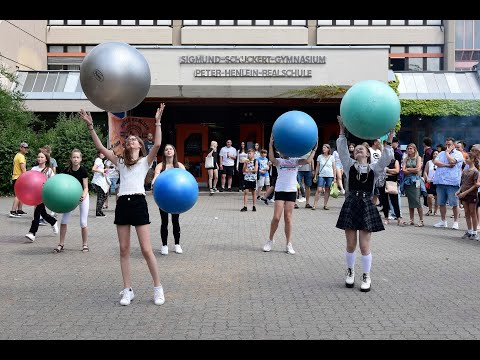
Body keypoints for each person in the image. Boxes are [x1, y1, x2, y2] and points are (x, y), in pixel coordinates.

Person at [79, 104, 166, 306]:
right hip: (123, 204)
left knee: (146, 249)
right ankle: (127, 290)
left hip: (138, 202)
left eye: (134, 139)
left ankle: (158, 288)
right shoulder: (119, 162)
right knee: (124, 249)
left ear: (139, 145)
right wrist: (91, 127)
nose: (130, 140)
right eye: (128, 139)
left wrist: (158, 122)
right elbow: (101, 148)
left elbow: (158, 145)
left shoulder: (146, 161)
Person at [336, 115, 394, 292]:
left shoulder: (375, 169)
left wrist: (389, 138)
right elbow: (342, 149)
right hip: (351, 204)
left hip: (367, 205)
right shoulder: (349, 165)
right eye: (356, 150)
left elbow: (387, 157)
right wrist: (342, 129)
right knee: (351, 243)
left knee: (364, 245)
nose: (358, 151)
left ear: (368, 154)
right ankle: (350, 272)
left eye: (362, 149)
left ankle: (366, 276)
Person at [263, 133, 318, 255]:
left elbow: (308, 160)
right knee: (276, 217)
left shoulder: (295, 161)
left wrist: (314, 149)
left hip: (291, 191)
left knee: (288, 218)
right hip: (280, 190)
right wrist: (270, 144)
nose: (284, 153)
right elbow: (271, 158)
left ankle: (288, 244)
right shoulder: (279, 162)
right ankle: (270, 240)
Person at [53, 149, 90, 254]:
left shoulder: (83, 170)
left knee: (83, 222)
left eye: (78, 157)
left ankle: (85, 244)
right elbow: (60, 183)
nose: (75, 159)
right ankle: (61, 244)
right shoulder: (66, 170)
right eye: (74, 157)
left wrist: (83, 196)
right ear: (71, 158)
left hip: (82, 197)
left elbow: (86, 187)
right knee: (64, 220)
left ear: (81, 159)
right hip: (69, 198)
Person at [152, 144, 186, 255]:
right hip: (164, 198)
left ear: (174, 151)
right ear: (164, 153)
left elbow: (186, 179)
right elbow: (156, 176)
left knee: (175, 221)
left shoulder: (179, 165)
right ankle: (164, 245)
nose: (168, 151)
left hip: (177, 198)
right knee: (164, 222)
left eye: (170, 149)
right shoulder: (160, 166)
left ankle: (177, 244)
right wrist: (154, 181)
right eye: (166, 149)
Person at [24, 150, 59, 242]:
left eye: (42, 157)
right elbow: (29, 180)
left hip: (44, 194)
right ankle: (53, 221)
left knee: (37, 212)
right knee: (42, 213)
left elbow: (53, 182)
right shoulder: (33, 169)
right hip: (35, 194)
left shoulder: (49, 170)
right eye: (38, 157)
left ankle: (32, 233)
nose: (39, 158)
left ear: (46, 159)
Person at [433, 137, 464, 230]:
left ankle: (455, 222)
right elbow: (436, 162)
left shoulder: (458, 154)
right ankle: (443, 221)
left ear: (453, 145)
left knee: (454, 203)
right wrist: (446, 165)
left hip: (452, 182)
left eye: (449, 144)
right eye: (446, 144)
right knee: (441, 203)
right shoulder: (441, 153)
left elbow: (452, 161)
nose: (447, 146)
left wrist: (447, 153)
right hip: (440, 181)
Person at [456, 152, 480, 240]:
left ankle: (474, 231)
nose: (465, 160)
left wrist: (465, 192)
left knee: (472, 212)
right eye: (465, 158)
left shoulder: (475, 171)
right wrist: (459, 191)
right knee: (466, 212)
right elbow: (463, 183)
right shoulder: (465, 171)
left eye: (467, 158)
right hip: (464, 194)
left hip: (472, 194)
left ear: (473, 160)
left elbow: (475, 185)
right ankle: (469, 230)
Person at [313, 144, 336, 210]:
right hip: (321, 175)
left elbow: (334, 168)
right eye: (323, 147)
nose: (323, 149)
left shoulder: (331, 157)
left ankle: (325, 205)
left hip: (330, 175)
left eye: (325, 148)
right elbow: (317, 167)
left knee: (327, 190)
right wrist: (315, 176)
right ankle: (315, 205)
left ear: (328, 149)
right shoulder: (320, 156)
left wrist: (335, 177)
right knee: (319, 189)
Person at [10, 142, 29, 218]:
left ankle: (19, 210)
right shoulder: (21, 156)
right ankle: (13, 211)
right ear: (20, 148)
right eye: (24, 148)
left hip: (17, 177)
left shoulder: (17, 155)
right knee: (18, 195)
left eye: (27, 148)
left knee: (22, 194)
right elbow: (23, 168)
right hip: (19, 177)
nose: (26, 149)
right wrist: (26, 177)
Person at [91, 151, 109, 217]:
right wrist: (103, 170)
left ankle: (99, 211)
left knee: (103, 195)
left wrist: (103, 172)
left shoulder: (99, 160)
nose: (103, 154)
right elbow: (93, 169)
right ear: (98, 154)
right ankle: (98, 212)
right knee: (102, 196)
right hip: (98, 182)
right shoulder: (98, 160)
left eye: (104, 153)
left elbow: (96, 170)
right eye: (102, 153)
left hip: (99, 181)